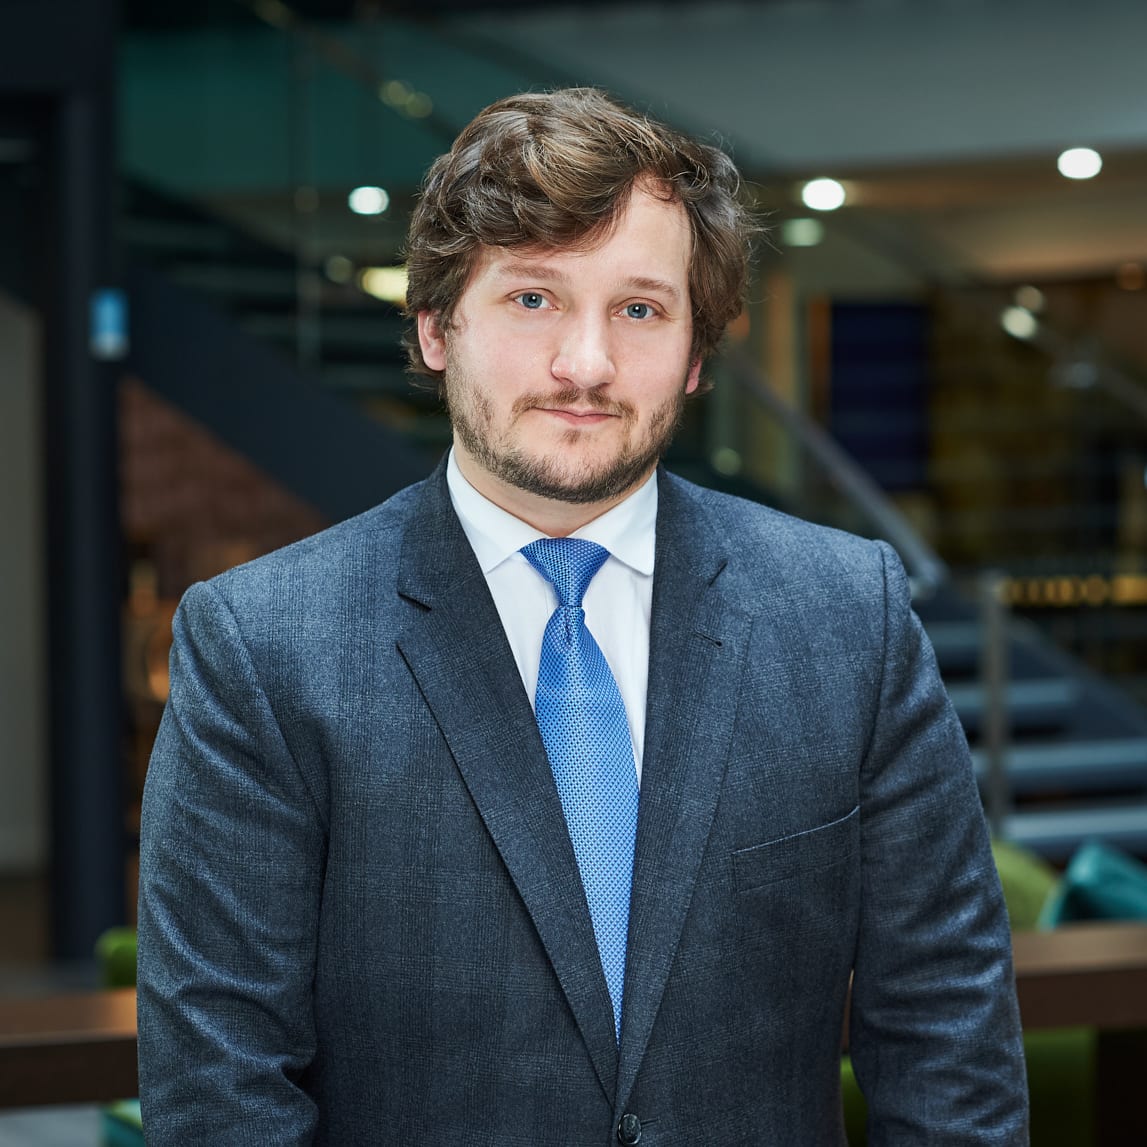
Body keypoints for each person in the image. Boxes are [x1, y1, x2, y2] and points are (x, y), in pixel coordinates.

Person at [137, 87, 1028, 1144]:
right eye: (533, 299)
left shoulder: (848, 615)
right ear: (435, 327)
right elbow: (220, 1086)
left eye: (639, 310)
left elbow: (947, 1031)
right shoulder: (262, 644)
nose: (587, 365)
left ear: (695, 356)